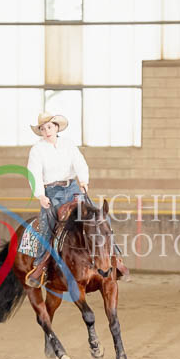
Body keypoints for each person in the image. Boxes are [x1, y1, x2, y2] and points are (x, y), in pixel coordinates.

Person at [24, 112, 129, 288]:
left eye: (49, 127)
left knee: (101, 218)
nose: (46, 131)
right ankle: (41, 265)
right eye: (42, 129)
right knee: (47, 224)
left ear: (56, 127)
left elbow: (80, 163)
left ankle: (115, 257)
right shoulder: (37, 150)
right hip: (52, 191)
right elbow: (33, 173)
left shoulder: (68, 144)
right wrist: (40, 195)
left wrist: (83, 181)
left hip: (72, 187)